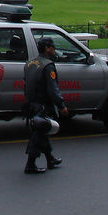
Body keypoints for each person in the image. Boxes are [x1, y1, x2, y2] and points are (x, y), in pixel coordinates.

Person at [23, 37, 68, 174]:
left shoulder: (30, 63)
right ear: (47, 48)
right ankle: (30, 164)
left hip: (30, 104)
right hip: (42, 105)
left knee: (42, 131)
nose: (54, 50)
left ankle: (50, 158)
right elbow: (52, 89)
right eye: (52, 47)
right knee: (39, 133)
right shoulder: (48, 66)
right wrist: (61, 106)